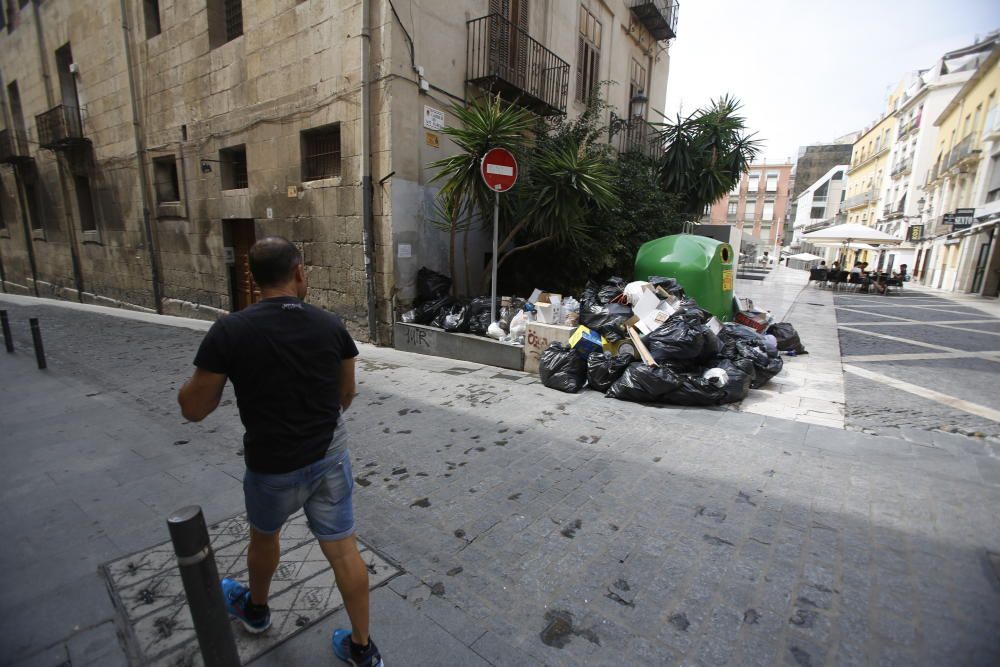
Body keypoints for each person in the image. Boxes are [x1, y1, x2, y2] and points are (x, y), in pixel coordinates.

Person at [177, 237, 382, 667]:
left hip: (272, 465)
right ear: (299, 273)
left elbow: (194, 409)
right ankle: (362, 649)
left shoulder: (230, 330)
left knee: (264, 537)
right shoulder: (331, 326)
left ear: (253, 280)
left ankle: (256, 610)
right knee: (344, 549)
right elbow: (346, 393)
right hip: (329, 455)